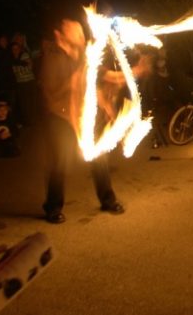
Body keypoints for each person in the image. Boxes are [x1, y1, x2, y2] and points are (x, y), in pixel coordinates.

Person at [39, 18, 127, 224]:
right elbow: (50, 94)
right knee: (60, 161)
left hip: (82, 116)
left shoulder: (85, 57)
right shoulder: (52, 59)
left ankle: (108, 199)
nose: (81, 37)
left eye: (81, 32)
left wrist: (135, 72)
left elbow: (104, 79)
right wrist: (71, 81)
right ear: (63, 36)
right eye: (75, 33)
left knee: (100, 157)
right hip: (59, 118)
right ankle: (52, 207)